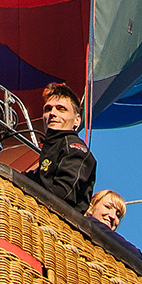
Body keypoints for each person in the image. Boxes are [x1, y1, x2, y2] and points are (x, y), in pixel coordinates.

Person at [26, 83, 96, 212]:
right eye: (48, 109)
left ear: (77, 120)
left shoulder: (74, 148)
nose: (52, 113)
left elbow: (64, 193)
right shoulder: (50, 149)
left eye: (61, 109)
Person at [85, 188, 142, 263]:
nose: (113, 216)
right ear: (91, 208)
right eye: (108, 207)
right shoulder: (88, 222)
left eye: (118, 215)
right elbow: (136, 255)